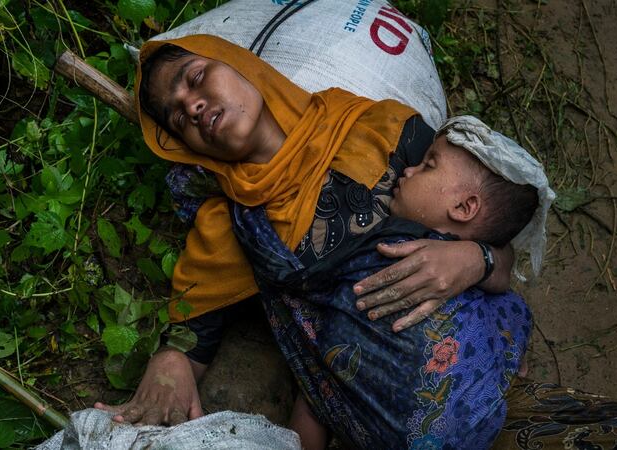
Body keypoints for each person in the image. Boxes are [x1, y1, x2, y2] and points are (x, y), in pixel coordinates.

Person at [95, 34, 519, 430]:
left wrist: (476, 259)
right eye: (177, 116)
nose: (191, 106)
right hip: (383, 417)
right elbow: (192, 341)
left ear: (241, 64)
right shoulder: (229, 225)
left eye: (196, 77)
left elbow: (497, 239)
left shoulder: (378, 128)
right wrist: (170, 364)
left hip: (487, 363)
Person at [229, 114, 542, 449]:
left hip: (440, 408)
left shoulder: (399, 238)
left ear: (464, 208)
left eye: (427, 166)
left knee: (327, 368)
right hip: (443, 422)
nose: (409, 171)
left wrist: (250, 220)